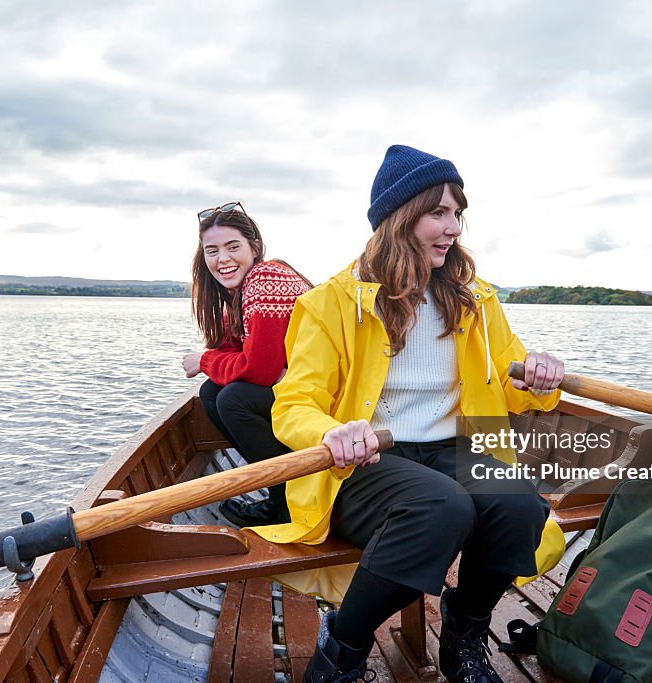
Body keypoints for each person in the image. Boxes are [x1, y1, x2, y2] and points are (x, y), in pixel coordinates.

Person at [261, 146, 566, 683]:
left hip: (450, 451)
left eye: (457, 214)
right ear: (399, 219)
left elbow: (510, 389)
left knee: (518, 504)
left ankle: (464, 629)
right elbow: (293, 404)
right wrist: (334, 431)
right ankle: (342, 653)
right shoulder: (331, 304)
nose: (452, 228)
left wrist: (538, 376)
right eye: (438, 213)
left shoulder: (476, 300)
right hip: (364, 463)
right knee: (441, 507)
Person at [182, 201, 312, 527]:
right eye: (212, 250)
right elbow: (233, 350)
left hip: (331, 398)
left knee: (233, 398)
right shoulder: (242, 293)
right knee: (213, 392)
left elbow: (258, 370)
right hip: (305, 392)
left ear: (254, 247)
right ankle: (281, 494)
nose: (222, 258)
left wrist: (204, 359)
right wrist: (214, 360)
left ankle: (289, 498)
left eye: (232, 247)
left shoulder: (265, 279)